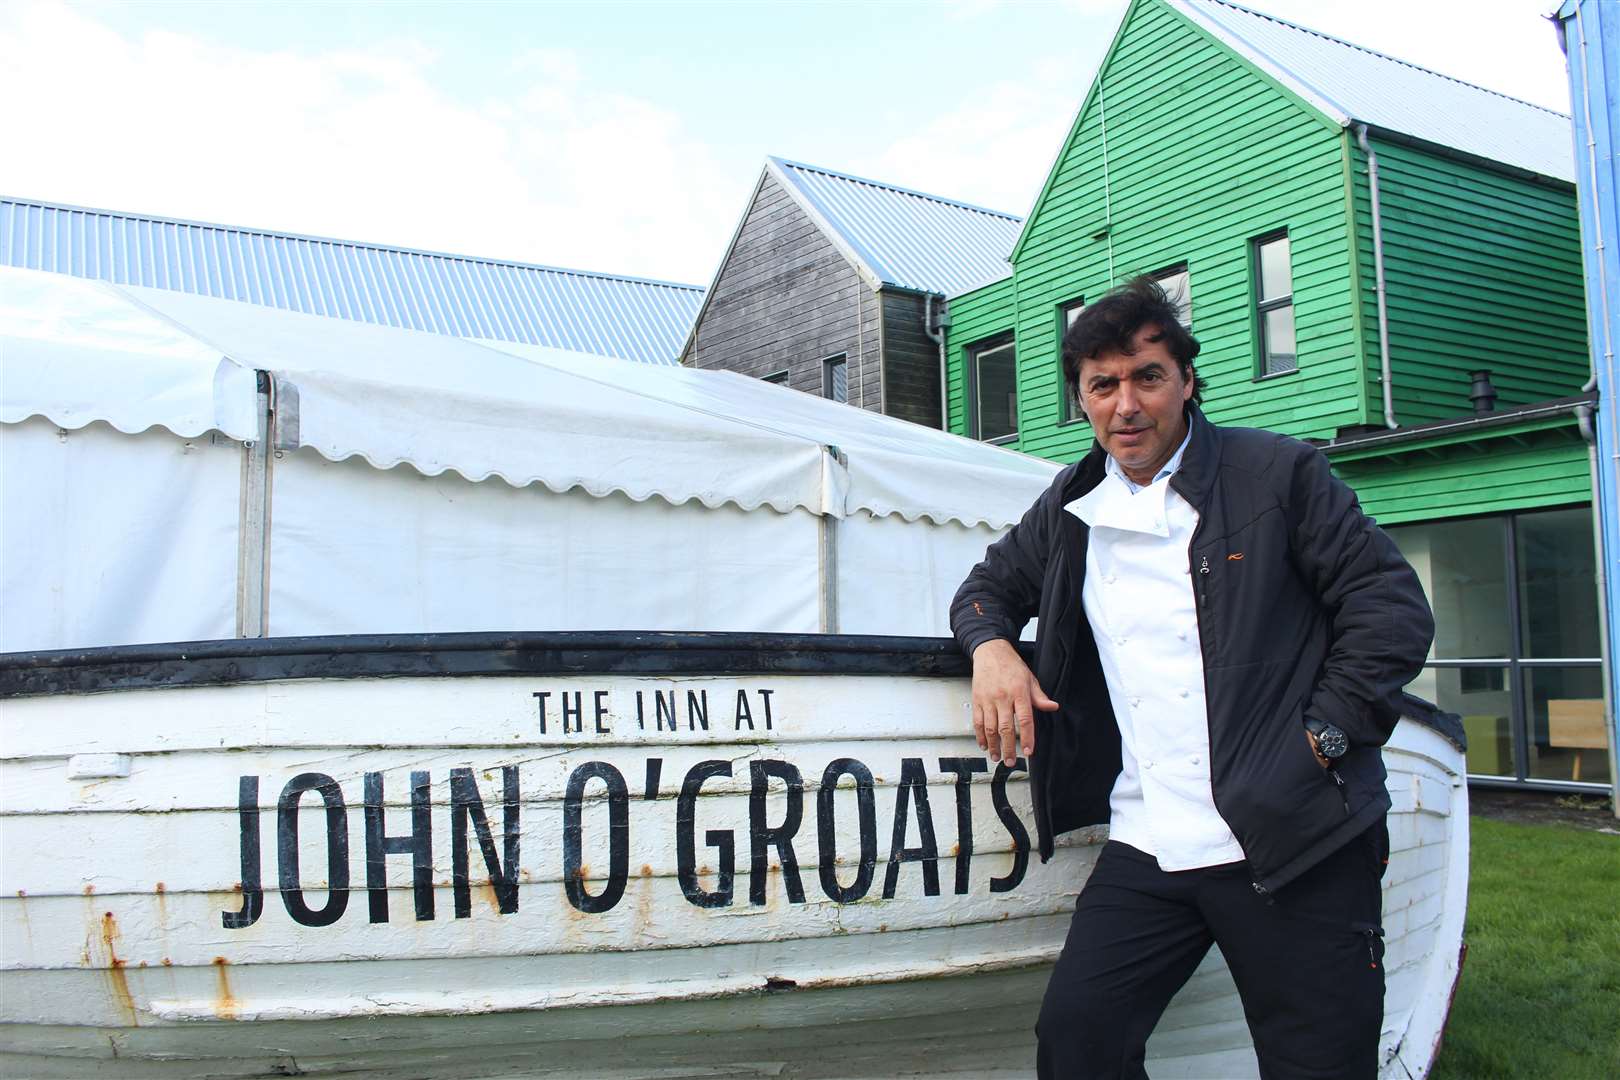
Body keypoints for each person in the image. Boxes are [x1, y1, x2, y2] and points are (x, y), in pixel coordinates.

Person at [950, 276, 1434, 1079]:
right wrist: (991, 648)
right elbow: (985, 590)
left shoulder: (1278, 475)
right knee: (1078, 1045)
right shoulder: (1072, 504)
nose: (1126, 405)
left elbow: (1390, 611)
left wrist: (1318, 742)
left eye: (1147, 377)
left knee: (1317, 1063)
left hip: (1293, 833)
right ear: (1082, 399)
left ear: (1186, 381)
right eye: (1102, 386)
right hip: (1150, 838)